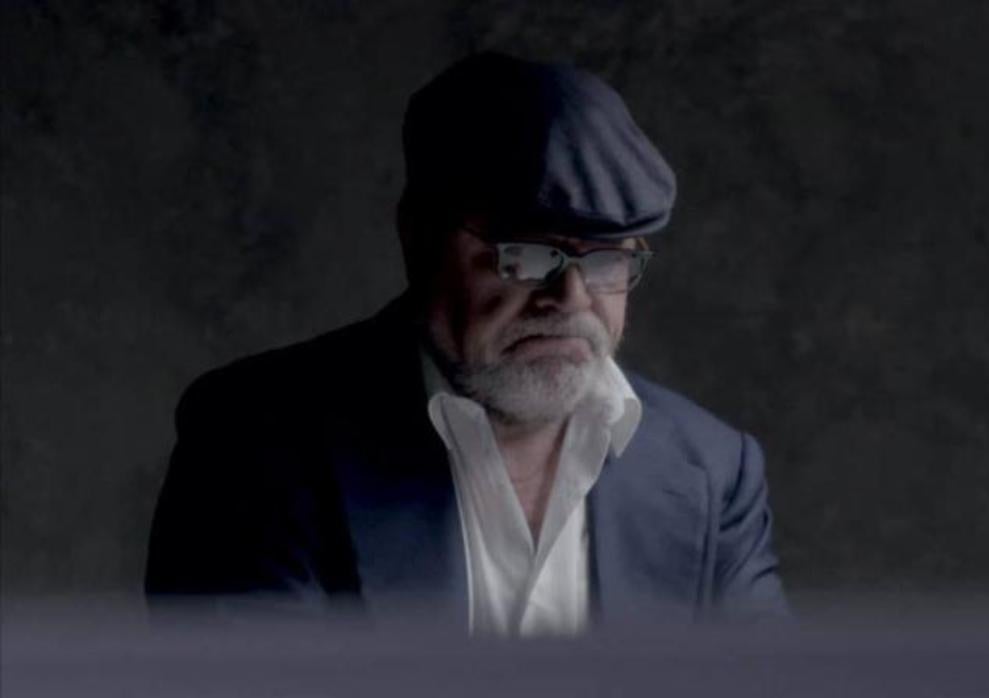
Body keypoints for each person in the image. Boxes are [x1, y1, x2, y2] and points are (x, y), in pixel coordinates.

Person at [145, 52, 787, 635]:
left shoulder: (715, 473)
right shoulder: (254, 440)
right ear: (419, 240)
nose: (570, 299)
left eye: (606, 260)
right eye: (528, 254)